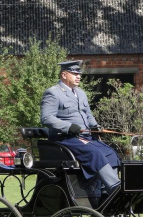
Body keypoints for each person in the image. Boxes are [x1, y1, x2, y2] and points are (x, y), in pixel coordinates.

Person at [40, 60, 121, 199]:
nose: (78, 76)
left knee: (110, 153)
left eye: (79, 74)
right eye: (74, 73)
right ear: (64, 74)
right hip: (65, 139)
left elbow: (88, 115)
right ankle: (115, 188)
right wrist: (69, 127)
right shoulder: (53, 93)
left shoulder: (81, 93)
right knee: (94, 153)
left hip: (85, 137)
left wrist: (95, 126)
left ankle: (105, 193)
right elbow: (46, 118)